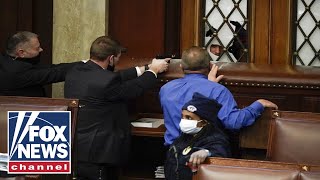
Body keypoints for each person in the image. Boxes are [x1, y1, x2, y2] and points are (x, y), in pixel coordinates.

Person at [64, 35, 169, 180]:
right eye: (118, 57)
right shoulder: (107, 80)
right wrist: (154, 72)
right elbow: (134, 88)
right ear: (111, 58)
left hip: (77, 145)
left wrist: (144, 68)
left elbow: (112, 77)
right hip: (98, 151)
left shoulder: (76, 71)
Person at [159, 46, 278, 147]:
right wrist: (258, 104)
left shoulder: (166, 89)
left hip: (173, 154)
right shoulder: (217, 91)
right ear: (210, 65)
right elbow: (233, 122)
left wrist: (210, 85)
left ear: (181, 66)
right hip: (204, 154)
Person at [165, 92, 231, 180]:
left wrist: (206, 152)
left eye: (189, 118)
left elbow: (219, 152)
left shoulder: (216, 139)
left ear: (204, 122)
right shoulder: (184, 137)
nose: (184, 121)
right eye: (183, 116)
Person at [0, 31, 81, 97]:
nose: (41, 49)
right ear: (21, 53)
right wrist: (86, 65)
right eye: (37, 48)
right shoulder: (17, 71)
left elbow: (49, 68)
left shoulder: (8, 60)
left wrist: (82, 63)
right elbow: (54, 73)